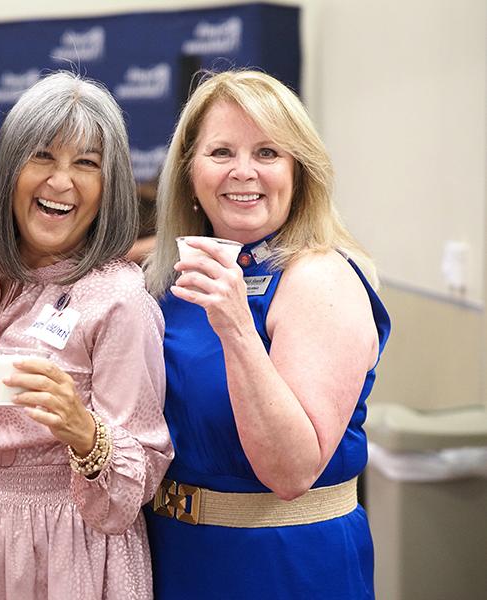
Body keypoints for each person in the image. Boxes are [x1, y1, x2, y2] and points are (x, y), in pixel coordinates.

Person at [143, 69, 391, 599]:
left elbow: (291, 470)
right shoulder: (174, 273)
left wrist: (237, 328)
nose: (243, 172)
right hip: (174, 556)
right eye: (221, 152)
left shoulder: (319, 277)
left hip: (283, 563)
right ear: (189, 172)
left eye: (268, 153)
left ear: (299, 171)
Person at [0, 72, 173, 600]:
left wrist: (84, 431)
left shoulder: (118, 301)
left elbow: (140, 478)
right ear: (7, 171)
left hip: (65, 553)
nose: (61, 183)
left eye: (86, 163)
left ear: (110, 186)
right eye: (42, 156)